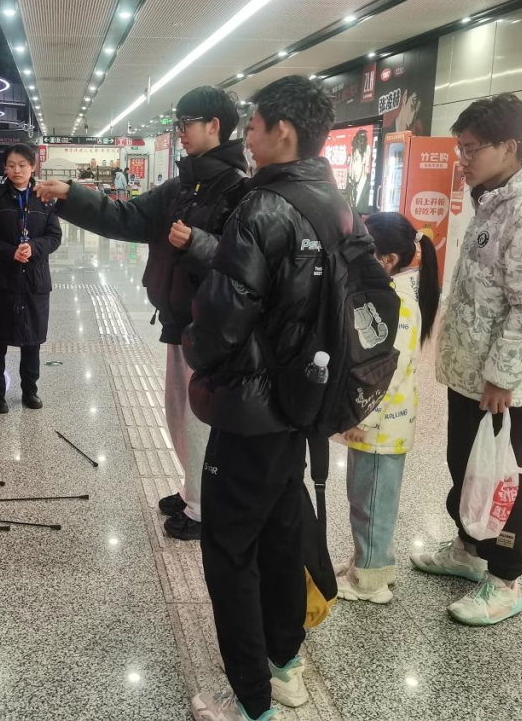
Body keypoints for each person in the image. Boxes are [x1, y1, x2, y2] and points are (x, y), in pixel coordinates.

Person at [182, 76, 342, 721]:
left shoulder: (264, 207)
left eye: (253, 125)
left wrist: (193, 345)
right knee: (279, 534)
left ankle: (250, 701)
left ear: (284, 131)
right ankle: (284, 666)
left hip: (252, 408)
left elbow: (223, 317)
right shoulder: (333, 201)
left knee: (229, 548)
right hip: (304, 400)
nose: (246, 135)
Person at [36, 86, 249, 542]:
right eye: (177, 124)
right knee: (177, 410)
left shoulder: (237, 190)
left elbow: (243, 261)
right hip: (178, 319)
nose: (180, 132)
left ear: (214, 125)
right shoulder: (183, 186)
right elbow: (127, 216)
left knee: (199, 417)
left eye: (186, 123)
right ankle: (193, 488)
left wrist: (196, 243)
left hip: (213, 327)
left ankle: (203, 507)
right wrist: (71, 195)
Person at [411, 93, 522, 626]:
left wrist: (503, 376)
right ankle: (468, 549)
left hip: (502, 383)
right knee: (467, 464)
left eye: (471, 149)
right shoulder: (494, 200)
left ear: (510, 146)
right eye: (460, 147)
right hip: (472, 373)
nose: (462, 159)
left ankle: (505, 579)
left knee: (507, 474)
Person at [334, 212, 440, 605]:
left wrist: (364, 417)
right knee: (368, 498)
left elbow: (388, 371)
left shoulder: (398, 302)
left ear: (389, 260)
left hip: (381, 425)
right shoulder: (395, 291)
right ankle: (372, 562)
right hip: (382, 423)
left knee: (372, 502)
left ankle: (370, 581)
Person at [0, 143, 63, 414]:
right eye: (11, 165)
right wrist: (10, 251)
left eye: (22, 165)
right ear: (5, 167)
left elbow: (54, 236)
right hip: (1, 279)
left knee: (32, 340)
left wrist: (33, 247)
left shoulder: (44, 199)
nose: (17, 170)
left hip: (34, 280)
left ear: (33, 167)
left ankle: (30, 391)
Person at [345, 128, 371, 211]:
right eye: (351, 162)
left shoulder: (371, 189)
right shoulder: (349, 189)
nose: (352, 168)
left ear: (364, 159)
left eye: (356, 160)